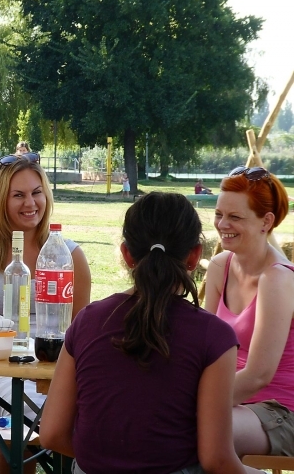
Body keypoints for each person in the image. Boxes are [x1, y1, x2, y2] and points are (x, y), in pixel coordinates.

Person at [41, 192, 261, 474]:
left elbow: (51, 434)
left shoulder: (87, 322)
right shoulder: (214, 336)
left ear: (126, 254)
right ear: (195, 255)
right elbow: (216, 459)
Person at [0, 153, 91, 474]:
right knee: (28, 413)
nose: (30, 203)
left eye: (36, 192)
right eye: (19, 195)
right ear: (1, 199)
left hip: (56, 369)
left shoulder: (69, 255)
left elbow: (81, 335)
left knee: (60, 411)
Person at [204, 166, 294, 459]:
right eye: (219, 214)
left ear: (266, 221)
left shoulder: (278, 279)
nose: (222, 224)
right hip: (231, 402)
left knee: (189, 426)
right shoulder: (220, 266)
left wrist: (192, 403)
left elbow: (258, 376)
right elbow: (204, 350)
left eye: (235, 217)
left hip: (281, 410)